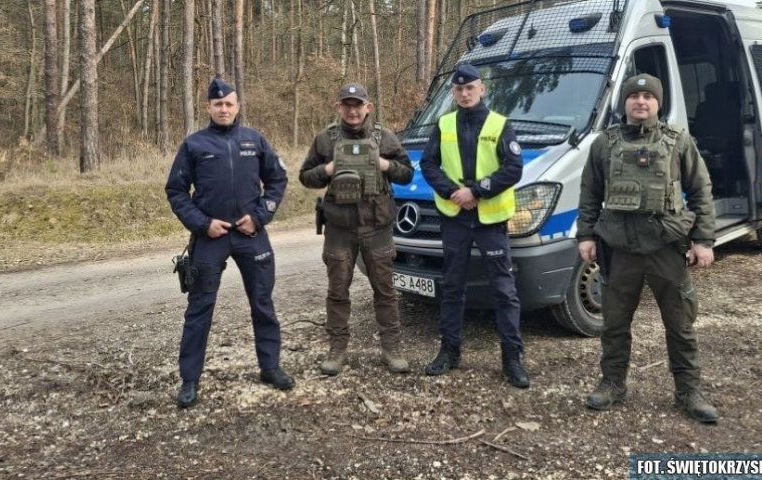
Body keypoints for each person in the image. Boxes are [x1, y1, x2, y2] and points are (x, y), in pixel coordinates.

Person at [576, 73, 719, 423]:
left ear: (658, 102)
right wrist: (585, 236)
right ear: (624, 102)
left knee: (680, 324)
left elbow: (700, 190)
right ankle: (612, 384)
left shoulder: (678, 141)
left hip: (665, 246)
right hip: (620, 247)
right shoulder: (604, 143)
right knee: (614, 323)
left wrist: (703, 240)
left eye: (648, 96)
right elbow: (590, 192)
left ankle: (689, 390)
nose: (641, 101)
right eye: (634, 96)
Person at [166, 78, 294, 409]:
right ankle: (189, 380)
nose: (224, 109)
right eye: (218, 104)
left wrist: (260, 216)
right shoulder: (195, 144)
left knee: (263, 303)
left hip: (251, 235)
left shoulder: (255, 140)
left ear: (237, 107)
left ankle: (270, 367)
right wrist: (202, 223)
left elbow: (278, 179)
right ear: (208, 107)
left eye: (229, 104)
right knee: (199, 309)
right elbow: (176, 191)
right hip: (211, 238)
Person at [419, 64, 530, 388]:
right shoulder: (444, 123)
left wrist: (477, 191)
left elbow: (513, 168)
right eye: (459, 89)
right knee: (452, 286)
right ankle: (449, 351)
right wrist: (453, 192)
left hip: (490, 220)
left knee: (504, 290)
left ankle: (512, 359)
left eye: (471, 88)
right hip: (455, 216)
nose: (465, 94)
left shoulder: (500, 124)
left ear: (483, 89)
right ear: (453, 92)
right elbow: (428, 163)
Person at [299, 82, 414, 375]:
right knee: (337, 291)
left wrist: (384, 164)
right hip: (339, 228)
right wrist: (327, 170)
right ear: (339, 107)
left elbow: (406, 174)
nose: (352, 110)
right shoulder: (325, 139)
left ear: (368, 107)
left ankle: (392, 348)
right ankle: (337, 349)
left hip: (377, 227)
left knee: (385, 291)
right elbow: (305, 177)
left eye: (357, 104)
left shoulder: (384, 137)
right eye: (346, 105)